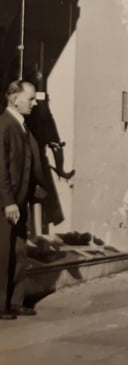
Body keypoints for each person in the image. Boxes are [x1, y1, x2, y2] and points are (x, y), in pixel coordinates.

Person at [0, 80, 45, 319]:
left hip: (20, 201)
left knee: (19, 253)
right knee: (3, 253)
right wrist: (8, 201)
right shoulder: (4, 125)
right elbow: (1, 169)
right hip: (6, 204)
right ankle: (1, 303)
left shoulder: (23, 125)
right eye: (31, 99)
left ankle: (15, 300)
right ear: (14, 98)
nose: (34, 103)